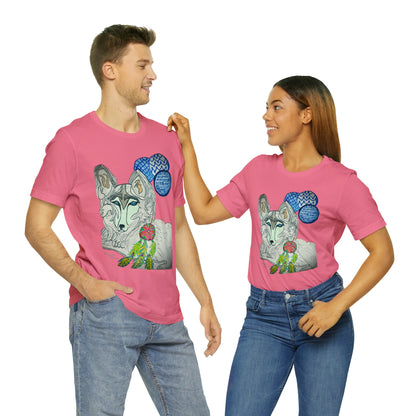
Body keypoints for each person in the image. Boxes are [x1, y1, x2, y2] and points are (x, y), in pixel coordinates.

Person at [168, 75, 394, 416]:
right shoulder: (258, 170)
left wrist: (335, 308)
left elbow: (383, 252)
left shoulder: (343, 182)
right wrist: (187, 145)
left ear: (306, 115)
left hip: (322, 313)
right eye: (267, 108)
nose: (266, 116)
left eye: (277, 107)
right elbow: (202, 212)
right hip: (264, 318)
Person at [25, 24, 221, 416]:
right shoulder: (71, 141)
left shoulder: (166, 141)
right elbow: (36, 226)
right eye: (143, 65)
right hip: (106, 313)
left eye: (151, 65)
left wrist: (205, 300)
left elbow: (178, 227)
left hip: (168, 316)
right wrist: (86, 284)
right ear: (110, 70)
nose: (153, 74)